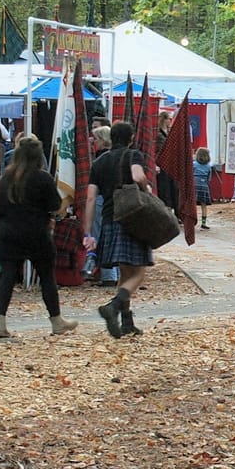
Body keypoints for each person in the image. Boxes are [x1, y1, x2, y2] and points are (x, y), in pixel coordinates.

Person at [0, 134, 79, 338]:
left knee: (7, 277)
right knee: (47, 277)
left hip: (9, 233)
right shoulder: (42, 177)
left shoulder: (7, 179)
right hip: (37, 233)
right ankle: (56, 321)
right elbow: (55, 205)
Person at [84, 120, 153, 338]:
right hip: (132, 218)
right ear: (131, 138)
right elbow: (138, 176)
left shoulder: (99, 162)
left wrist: (88, 233)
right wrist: (146, 189)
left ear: (111, 138)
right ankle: (113, 307)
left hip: (109, 219)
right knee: (139, 272)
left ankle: (126, 322)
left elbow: (90, 198)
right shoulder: (133, 155)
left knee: (125, 272)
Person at [193, 147, 214, 229]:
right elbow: (209, 178)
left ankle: (192, 221)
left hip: (194, 184)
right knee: (204, 205)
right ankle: (204, 223)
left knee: (193, 204)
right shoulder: (208, 166)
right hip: (204, 185)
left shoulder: (194, 164)